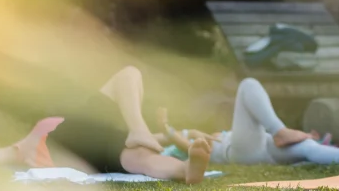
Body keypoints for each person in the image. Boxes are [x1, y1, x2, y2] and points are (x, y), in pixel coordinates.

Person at [40, 66, 212, 184]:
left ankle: (184, 169)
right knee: (129, 73)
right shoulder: (50, 130)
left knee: (142, 157)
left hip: (91, 146)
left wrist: (170, 135)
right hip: (73, 133)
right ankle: (143, 134)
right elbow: (17, 150)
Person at [156, 78, 339, 166]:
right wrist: (166, 130)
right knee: (248, 85)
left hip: (264, 147)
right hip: (239, 152)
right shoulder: (188, 148)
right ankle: (280, 131)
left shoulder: (200, 133)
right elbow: (182, 143)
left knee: (306, 147)